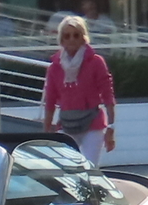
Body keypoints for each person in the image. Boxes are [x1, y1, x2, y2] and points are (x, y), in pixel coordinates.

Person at [41, 13, 117, 165]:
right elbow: (50, 100)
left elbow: (108, 96)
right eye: (67, 36)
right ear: (61, 40)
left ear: (83, 37)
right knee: (66, 169)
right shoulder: (55, 67)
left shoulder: (95, 62)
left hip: (93, 124)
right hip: (66, 124)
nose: (72, 39)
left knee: (89, 169)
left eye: (76, 35)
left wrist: (111, 128)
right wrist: (47, 130)